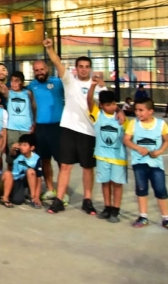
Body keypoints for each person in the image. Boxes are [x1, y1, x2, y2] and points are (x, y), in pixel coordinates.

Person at [44, 39, 105, 216]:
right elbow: (56, 62)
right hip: (69, 129)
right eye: (81, 66)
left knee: (87, 167)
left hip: (89, 131)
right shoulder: (69, 81)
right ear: (76, 68)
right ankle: (59, 200)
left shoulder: (99, 87)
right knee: (65, 166)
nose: (84, 69)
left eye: (87, 66)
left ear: (90, 68)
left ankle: (87, 200)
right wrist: (49, 48)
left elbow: (107, 106)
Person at [123, 99, 168, 231]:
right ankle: (143, 216)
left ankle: (166, 218)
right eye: (136, 110)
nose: (138, 113)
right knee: (141, 190)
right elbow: (126, 139)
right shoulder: (133, 123)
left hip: (156, 164)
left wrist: (159, 151)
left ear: (150, 111)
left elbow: (166, 141)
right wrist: (138, 148)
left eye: (141, 110)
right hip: (139, 162)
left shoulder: (161, 124)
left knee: (160, 190)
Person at [86, 85, 128, 223]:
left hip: (118, 158)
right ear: (102, 105)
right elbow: (89, 100)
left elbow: (129, 135)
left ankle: (116, 210)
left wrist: (120, 111)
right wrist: (92, 85)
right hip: (102, 156)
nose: (112, 107)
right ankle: (107, 207)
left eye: (114, 104)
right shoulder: (98, 115)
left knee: (117, 184)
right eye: (108, 105)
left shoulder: (122, 118)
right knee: (105, 183)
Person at [26, 58, 64, 200]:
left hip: (57, 127)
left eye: (41, 69)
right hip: (41, 128)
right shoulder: (32, 86)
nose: (39, 72)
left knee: (61, 161)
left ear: (47, 69)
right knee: (45, 160)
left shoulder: (58, 83)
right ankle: (50, 189)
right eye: (36, 70)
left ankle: (62, 191)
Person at [0, 134, 43, 208]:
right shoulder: (18, 153)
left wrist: (37, 196)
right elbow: (12, 154)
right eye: (20, 144)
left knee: (31, 172)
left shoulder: (36, 159)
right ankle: (7, 196)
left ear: (32, 147)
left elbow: (39, 179)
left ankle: (33, 198)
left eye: (25, 145)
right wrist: (13, 148)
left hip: (27, 178)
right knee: (17, 201)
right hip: (16, 179)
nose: (21, 147)